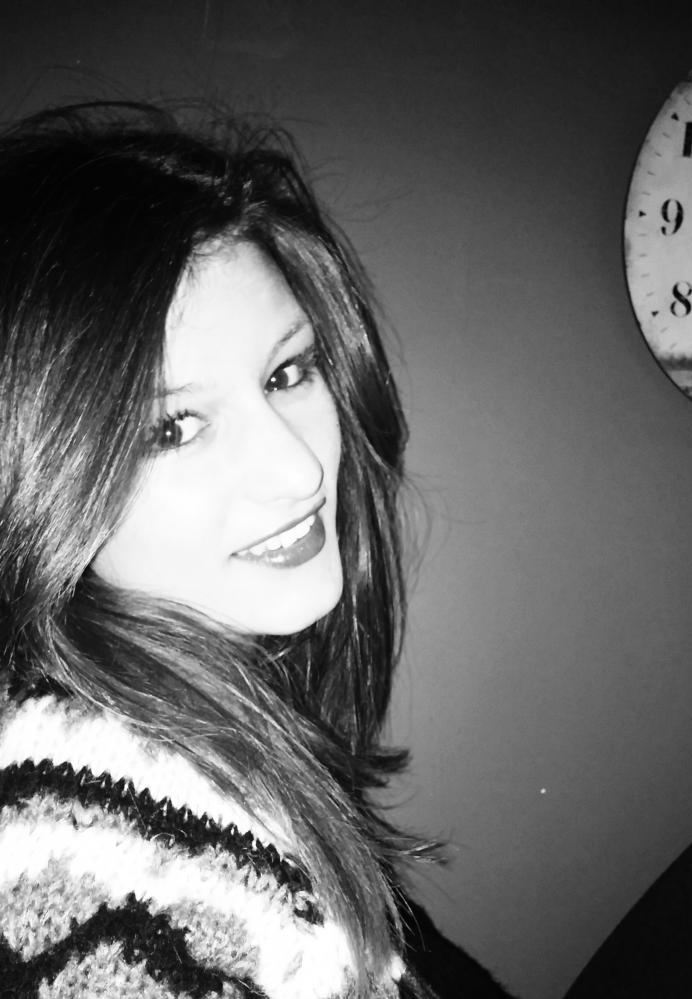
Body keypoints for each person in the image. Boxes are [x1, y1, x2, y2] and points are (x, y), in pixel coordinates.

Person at [0, 102, 513, 999]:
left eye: (286, 373)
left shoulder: (217, 740)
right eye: (172, 426)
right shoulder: (92, 857)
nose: (298, 469)